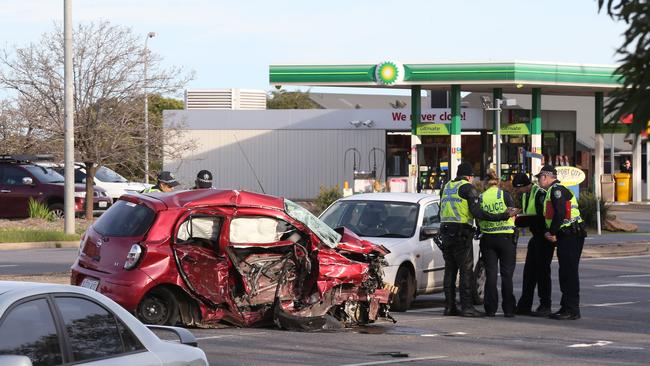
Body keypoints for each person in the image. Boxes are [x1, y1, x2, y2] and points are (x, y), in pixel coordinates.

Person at [439, 162, 518, 317]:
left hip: (446, 232)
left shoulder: (446, 187)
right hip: (461, 233)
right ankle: (467, 307)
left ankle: (449, 306)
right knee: (466, 271)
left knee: (450, 270)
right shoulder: (468, 188)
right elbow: (477, 213)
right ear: (469, 176)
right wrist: (501, 216)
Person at [536, 165, 587, 320]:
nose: (538, 180)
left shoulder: (556, 190)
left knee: (569, 273)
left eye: (539, 177)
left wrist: (551, 232)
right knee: (565, 272)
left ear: (545, 176)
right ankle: (566, 307)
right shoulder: (552, 190)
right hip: (567, 234)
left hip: (570, 235)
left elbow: (560, 213)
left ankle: (571, 309)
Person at [512, 173, 554, 317]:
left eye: (517, 189)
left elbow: (541, 217)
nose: (516, 192)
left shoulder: (540, 194)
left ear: (525, 186)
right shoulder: (525, 195)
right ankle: (525, 304)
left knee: (543, 273)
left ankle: (545, 305)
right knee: (529, 273)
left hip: (544, 236)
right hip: (536, 237)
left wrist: (518, 221)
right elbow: (528, 214)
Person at [478, 169, 517, 317]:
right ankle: (508, 309)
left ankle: (490, 308)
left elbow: (478, 217)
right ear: (498, 182)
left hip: (488, 238)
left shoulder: (481, 197)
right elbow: (513, 215)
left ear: (485, 184)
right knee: (507, 275)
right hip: (506, 238)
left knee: (491, 274)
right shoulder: (504, 195)